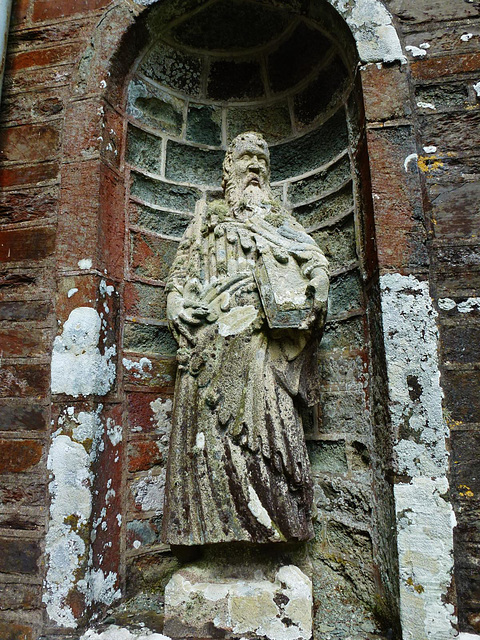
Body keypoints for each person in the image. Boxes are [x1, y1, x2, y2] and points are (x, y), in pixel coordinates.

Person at [162, 132, 329, 547]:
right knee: (208, 447)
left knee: (269, 431)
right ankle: (208, 539)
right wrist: (175, 305)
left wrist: (319, 285)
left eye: (261, 160)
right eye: (246, 159)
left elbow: (314, 260)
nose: (254, 167)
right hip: (206, 347)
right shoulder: (205, 219)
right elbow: (178, 278)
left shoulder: (278, 221)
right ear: (228, 169)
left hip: (262, 348)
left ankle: (275, 533)